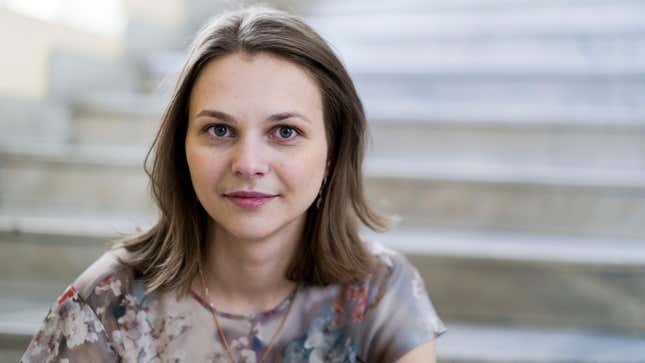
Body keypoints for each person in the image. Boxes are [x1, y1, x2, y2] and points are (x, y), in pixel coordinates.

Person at [20, 6, 446, 363]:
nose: (248, 164)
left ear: (332, 153)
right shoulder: (105, 303)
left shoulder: (382, 292)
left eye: (285, 132)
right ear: (181, 147)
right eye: (219, 130)